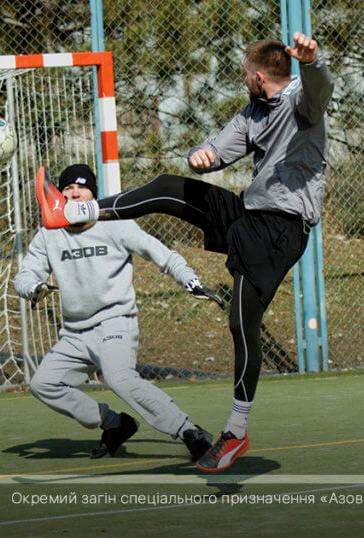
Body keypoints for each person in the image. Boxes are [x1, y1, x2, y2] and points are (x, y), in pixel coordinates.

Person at [36, 33, 334, 472]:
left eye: (243, 74)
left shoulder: (298, 100)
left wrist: (313, 62)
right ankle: (76, 211)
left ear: (256, 75)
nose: (242, 80)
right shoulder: (253, 112)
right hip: (247, 214)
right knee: (167, 186)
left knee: (241, 322)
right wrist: (204, 155)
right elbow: (218, 150)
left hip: (281, 229)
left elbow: (319, 91)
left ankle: (235, 431)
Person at [17, 163, 216, 461]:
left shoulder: (116, 222)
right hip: (74, 333)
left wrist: (190, 279)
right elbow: (25, 275)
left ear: (93, 194)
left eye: (81, 188)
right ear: (59, 196)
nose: (75, 193)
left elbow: (160, 253)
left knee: (119, 378)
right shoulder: (49, 234)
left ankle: (188, 430)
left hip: (114, 323)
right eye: (68, 188)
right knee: (42, 384)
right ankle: (116, 424)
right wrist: (33, 287)